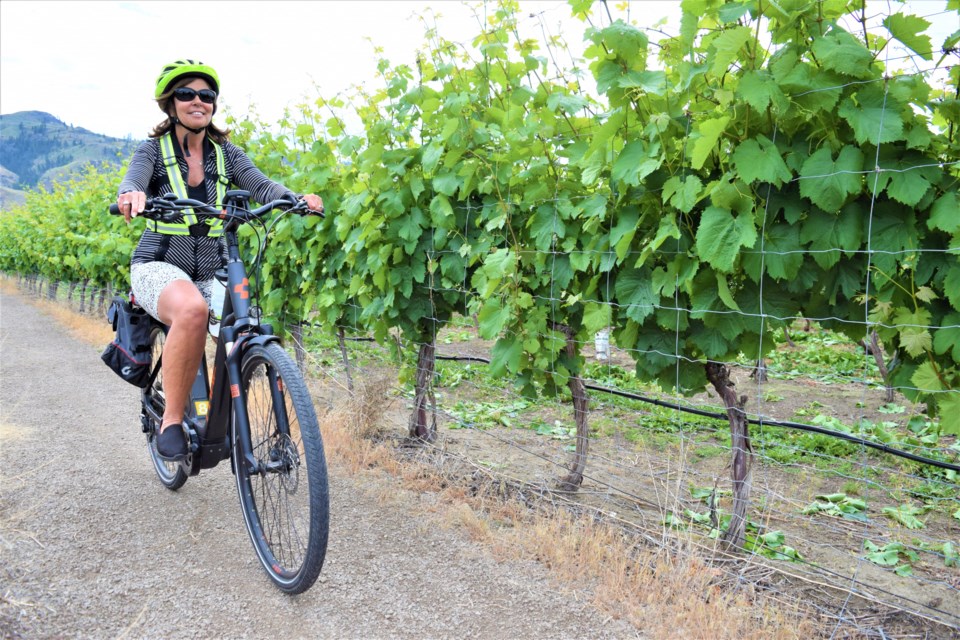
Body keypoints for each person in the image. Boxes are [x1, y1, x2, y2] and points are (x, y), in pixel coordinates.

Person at [116, 59, 323, 461]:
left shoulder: (225, 153)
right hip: (159, 264)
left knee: (239, 328)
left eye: (206, 95)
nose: (198, 101)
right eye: (186, 94)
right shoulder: (151, 151)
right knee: (192, 310)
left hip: (212, 267)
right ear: (169, 103)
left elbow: (262, 185)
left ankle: (216, 417)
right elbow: (134, 180)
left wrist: (296, 198)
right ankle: (172, 420)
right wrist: (132, 196)